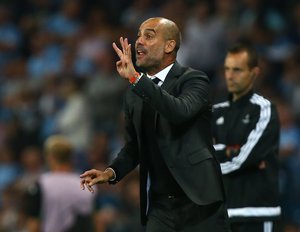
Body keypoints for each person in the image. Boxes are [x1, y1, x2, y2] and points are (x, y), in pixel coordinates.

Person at [80, 17, 231, 231]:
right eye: (139, 35)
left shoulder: (193, 80)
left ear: (170, 46)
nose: (139, 41)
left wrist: (136, 79)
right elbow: (134, 147)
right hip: (160, 208)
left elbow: (179, 112)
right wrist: (111, 172)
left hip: (200, 203)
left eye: (149, 36)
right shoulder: (134, 93)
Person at [212, 43, 282, 232]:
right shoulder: (215, 112)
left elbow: (243, 158)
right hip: (223, 214)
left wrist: (215, 160)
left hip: (257, 213)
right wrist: (229, 152)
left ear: (254, 72)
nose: (230, 75)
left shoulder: (264, 109)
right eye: (227, 69)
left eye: (237, 70)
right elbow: (198, 154)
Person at [24, 135, 95, 232]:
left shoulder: (41, 185)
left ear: (50, 157)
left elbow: (34, 224)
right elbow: (96, 221)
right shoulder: (87, 184)